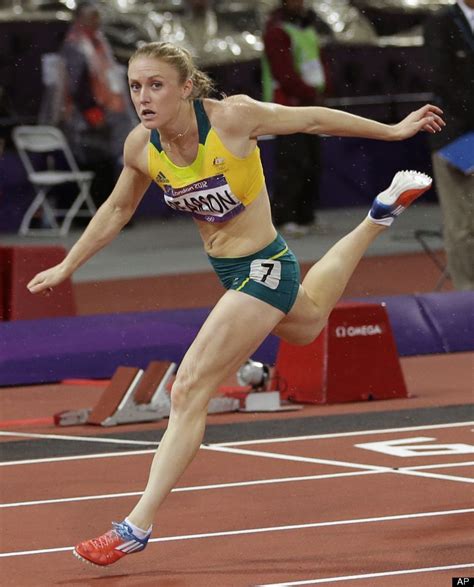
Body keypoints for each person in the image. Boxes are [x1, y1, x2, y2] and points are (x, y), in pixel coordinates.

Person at [27, 41, 444, 567]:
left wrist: (393, 130)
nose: (143, 97)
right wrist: (68, 265)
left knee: (188, 388)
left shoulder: (232, 118)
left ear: (186, 87)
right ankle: (378, 216)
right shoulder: (141, 146)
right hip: (234, 269)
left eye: (156, 85)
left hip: (262, 268)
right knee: (309, 323)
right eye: (135, 86)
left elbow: (311, 120)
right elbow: (115, 209)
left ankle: (136, 525)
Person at [262, 0, 332, 237]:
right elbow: (283, 73)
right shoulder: (276, 31)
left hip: (311, 104)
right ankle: (284, 218)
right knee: (292, 163)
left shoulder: (309, 27)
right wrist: (308, 92)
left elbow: (318, 62)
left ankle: (305, 216)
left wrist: (321, 91)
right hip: (286, 107)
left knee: (312, 162)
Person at [60, 0, 135, 209]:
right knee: (96, 165)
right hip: (87, 118)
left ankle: (111, 212)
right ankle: (99, 212)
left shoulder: (98, 42)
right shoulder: (75, 45)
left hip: (106, 112)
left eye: (98, 16)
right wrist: (94, 115)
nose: (97, 21)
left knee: (107, 163)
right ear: (79, 19)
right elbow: (77, 87)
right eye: (92, 16)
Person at [423, 0, 474, 290]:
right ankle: (467, 294)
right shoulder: (440, 24)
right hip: (456, 136)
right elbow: (443, 80)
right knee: (462, 224)